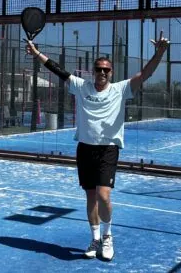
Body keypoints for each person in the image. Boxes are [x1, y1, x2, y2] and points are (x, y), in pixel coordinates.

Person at [25, 31, 169, 261]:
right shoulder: (81, 86)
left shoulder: (121, 89)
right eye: (99, 69)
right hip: (85, 148)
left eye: (106, 70)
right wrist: (36, 53)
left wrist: (159, 53)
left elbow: (145, 74)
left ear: (111, 73)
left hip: (108, 149)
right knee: (91, 197)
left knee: (103, 196)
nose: (102, 72)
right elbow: (57, 69)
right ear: (93, 71)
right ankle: (95, 239)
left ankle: (108, 235)